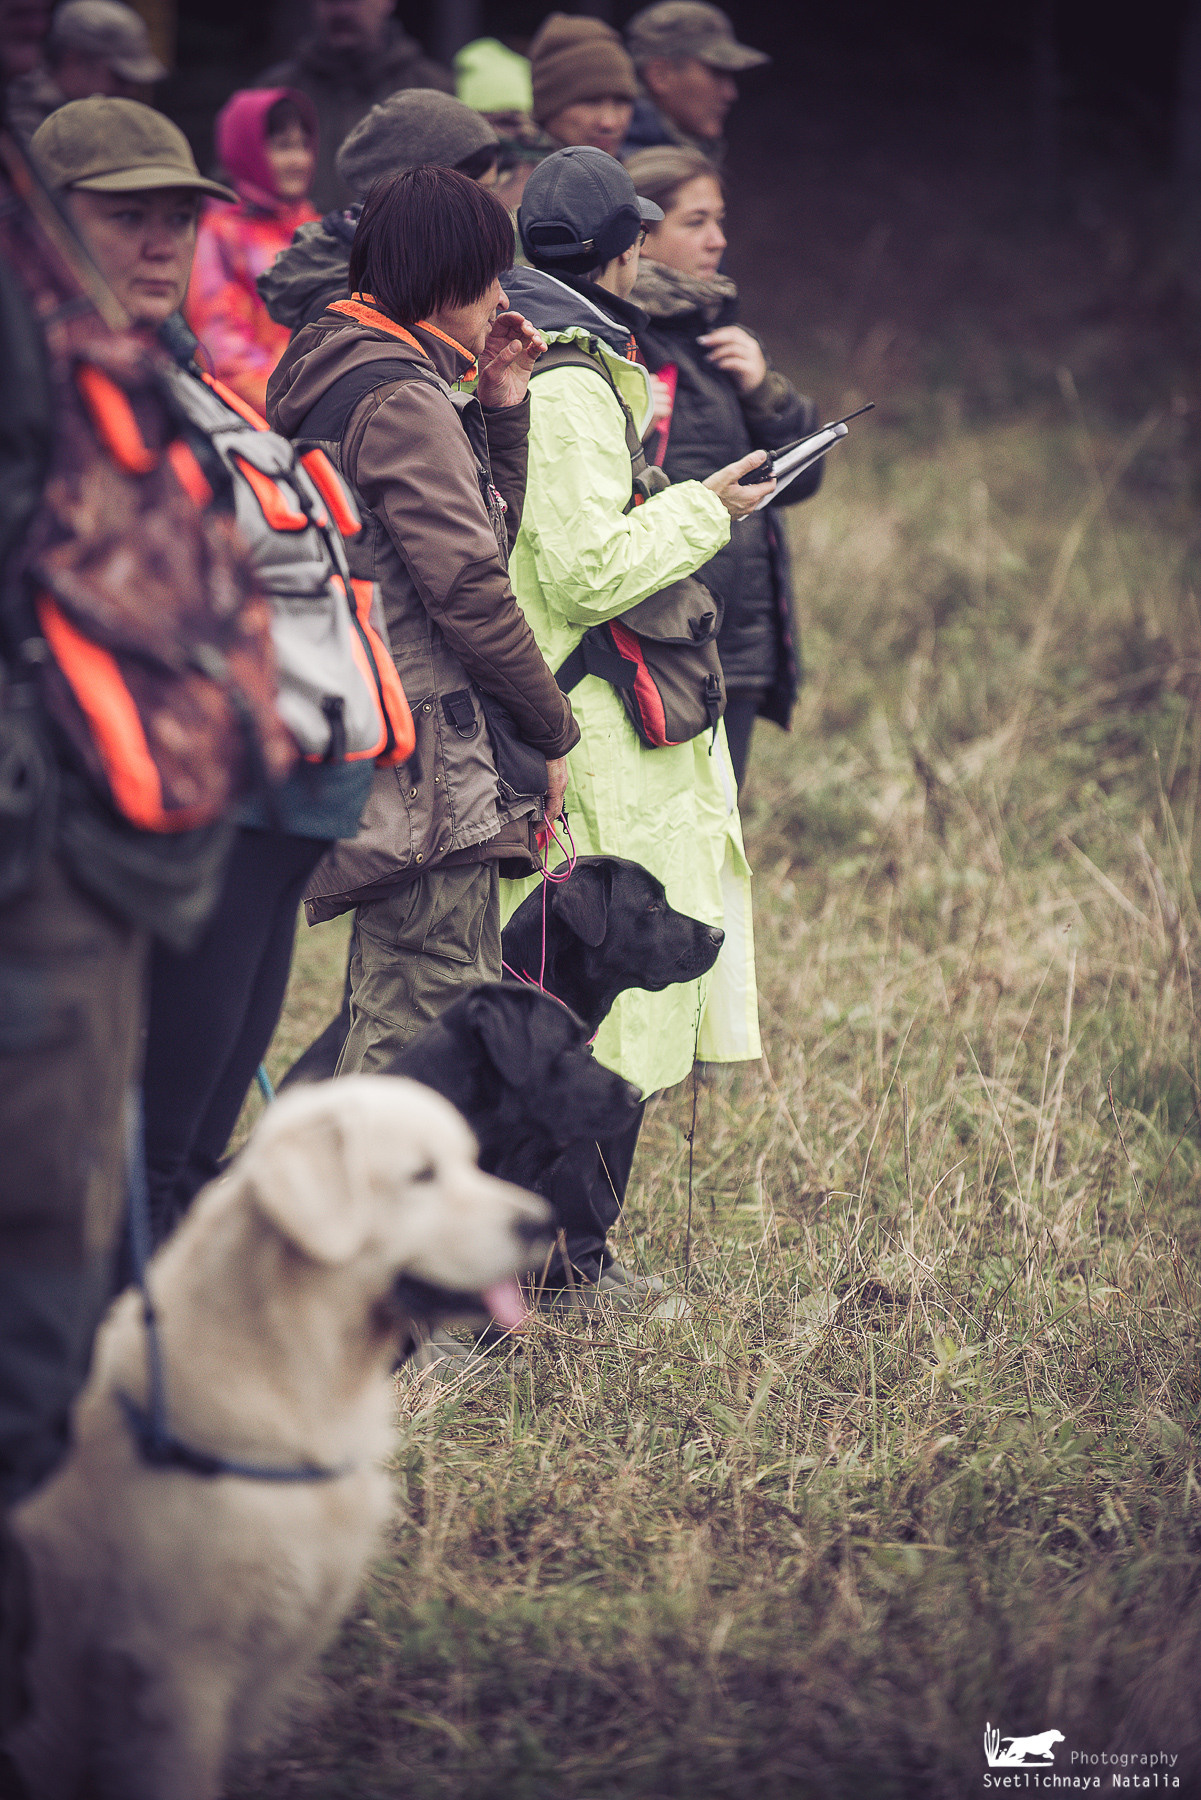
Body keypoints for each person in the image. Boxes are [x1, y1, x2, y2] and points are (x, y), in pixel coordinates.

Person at [30, 95, 382, 1246]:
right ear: (37, 223)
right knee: (139, 1135)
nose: (160, 243)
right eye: (127, 215)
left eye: (179, 217)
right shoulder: (41, 391)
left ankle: (165, 1361)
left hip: (270, 798)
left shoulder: (181, 374)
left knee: (196, 1117)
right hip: (145, 816)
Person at [501, 146, 770, 1298]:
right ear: (621, 254)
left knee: (618, 1003)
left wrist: (669, 504)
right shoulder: (566, 387)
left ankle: (582, 1254)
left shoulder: (583, 368)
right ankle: (567, 1261)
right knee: (598, 1004)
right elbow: (575, 570)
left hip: (622, 734)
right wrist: (700, 513)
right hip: (597, 739)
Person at [266, 166, 579, 1069]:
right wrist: (552, 730)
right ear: (446, 277)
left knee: (407, 1005)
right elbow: (471, 591)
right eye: (489, 273)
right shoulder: (399, 398)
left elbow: (477, 538)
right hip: (427, 767)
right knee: (423, 1036)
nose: (499, 296)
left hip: (377, 739)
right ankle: (360, 1211)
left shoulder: (333, 359)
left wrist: (500, 406)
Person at [627, 145, 822, 790]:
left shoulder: (718, 336)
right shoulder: (616, 340)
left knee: (719, 844)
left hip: (735, 643)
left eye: (719, 219)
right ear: (640, 236)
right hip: (658, 641)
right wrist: (625, 415)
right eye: (695, 222)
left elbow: (799, 483)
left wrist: (768, 391)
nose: (719, 239)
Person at [258, 88, 499, 335]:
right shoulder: (354, 303)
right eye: (480, 194)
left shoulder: (406, 273)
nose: (492, 212)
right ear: (420, 190)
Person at [185, 87, 320, 414]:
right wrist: (299, 409)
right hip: (265, 420)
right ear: (246, 150)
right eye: (282, 147)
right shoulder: (219, 235)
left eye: (304, 146)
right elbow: (224, 351)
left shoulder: (314, 225)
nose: (299, 160)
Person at [254, 0, 450, 212]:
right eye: (331, 2)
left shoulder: (432, 90)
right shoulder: (274, 91)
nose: (342, 11)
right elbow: (235, 182)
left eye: (355, 1)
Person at [623, 1, 768, 162]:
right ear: (660, 75)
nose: (730, 94)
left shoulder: (674, 154)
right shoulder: (635, 168)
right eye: (716, 73)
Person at [6, 0, 164, 142]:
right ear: (74, 59)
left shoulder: (92, 121)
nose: (130, 91)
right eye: (119, 78)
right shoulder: (24, 120)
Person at [453, 34, 552, 212]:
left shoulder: (548, 168)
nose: (523, 132)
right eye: (505, 121)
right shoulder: (460, 184)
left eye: (527, 119)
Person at [527, 12, 637, 160]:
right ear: (547, 106)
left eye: (621, 101)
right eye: (591, 101)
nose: (609, 123)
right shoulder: (494, 176)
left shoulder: (641, 175)